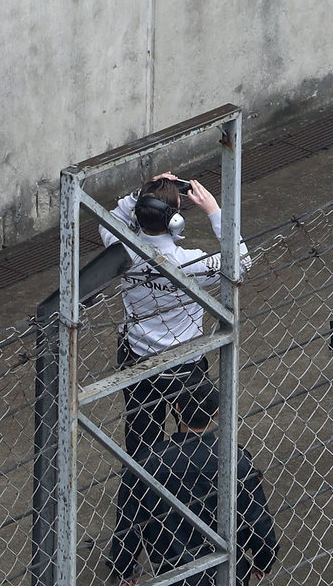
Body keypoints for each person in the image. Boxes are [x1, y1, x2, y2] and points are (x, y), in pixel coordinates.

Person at [97, 172, 252, 457]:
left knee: (142, 440)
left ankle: (141, 493)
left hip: (137, 358)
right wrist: (214, 212)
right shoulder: (190, 262)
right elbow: (242, 262)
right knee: (194, 436)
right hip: (185, 363)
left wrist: (138, 194)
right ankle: (186, 487)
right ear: (175, 221)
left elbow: (110, 218)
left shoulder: (121, 249)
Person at [112, 379, 278, 586]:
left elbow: (129, 522)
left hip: (172, 573)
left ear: (177, 408)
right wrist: (264, 560)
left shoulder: (149, 462)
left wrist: (124, 568)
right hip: (227, 573)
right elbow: (258, 520)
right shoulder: (235, 459)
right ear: (217, 412)